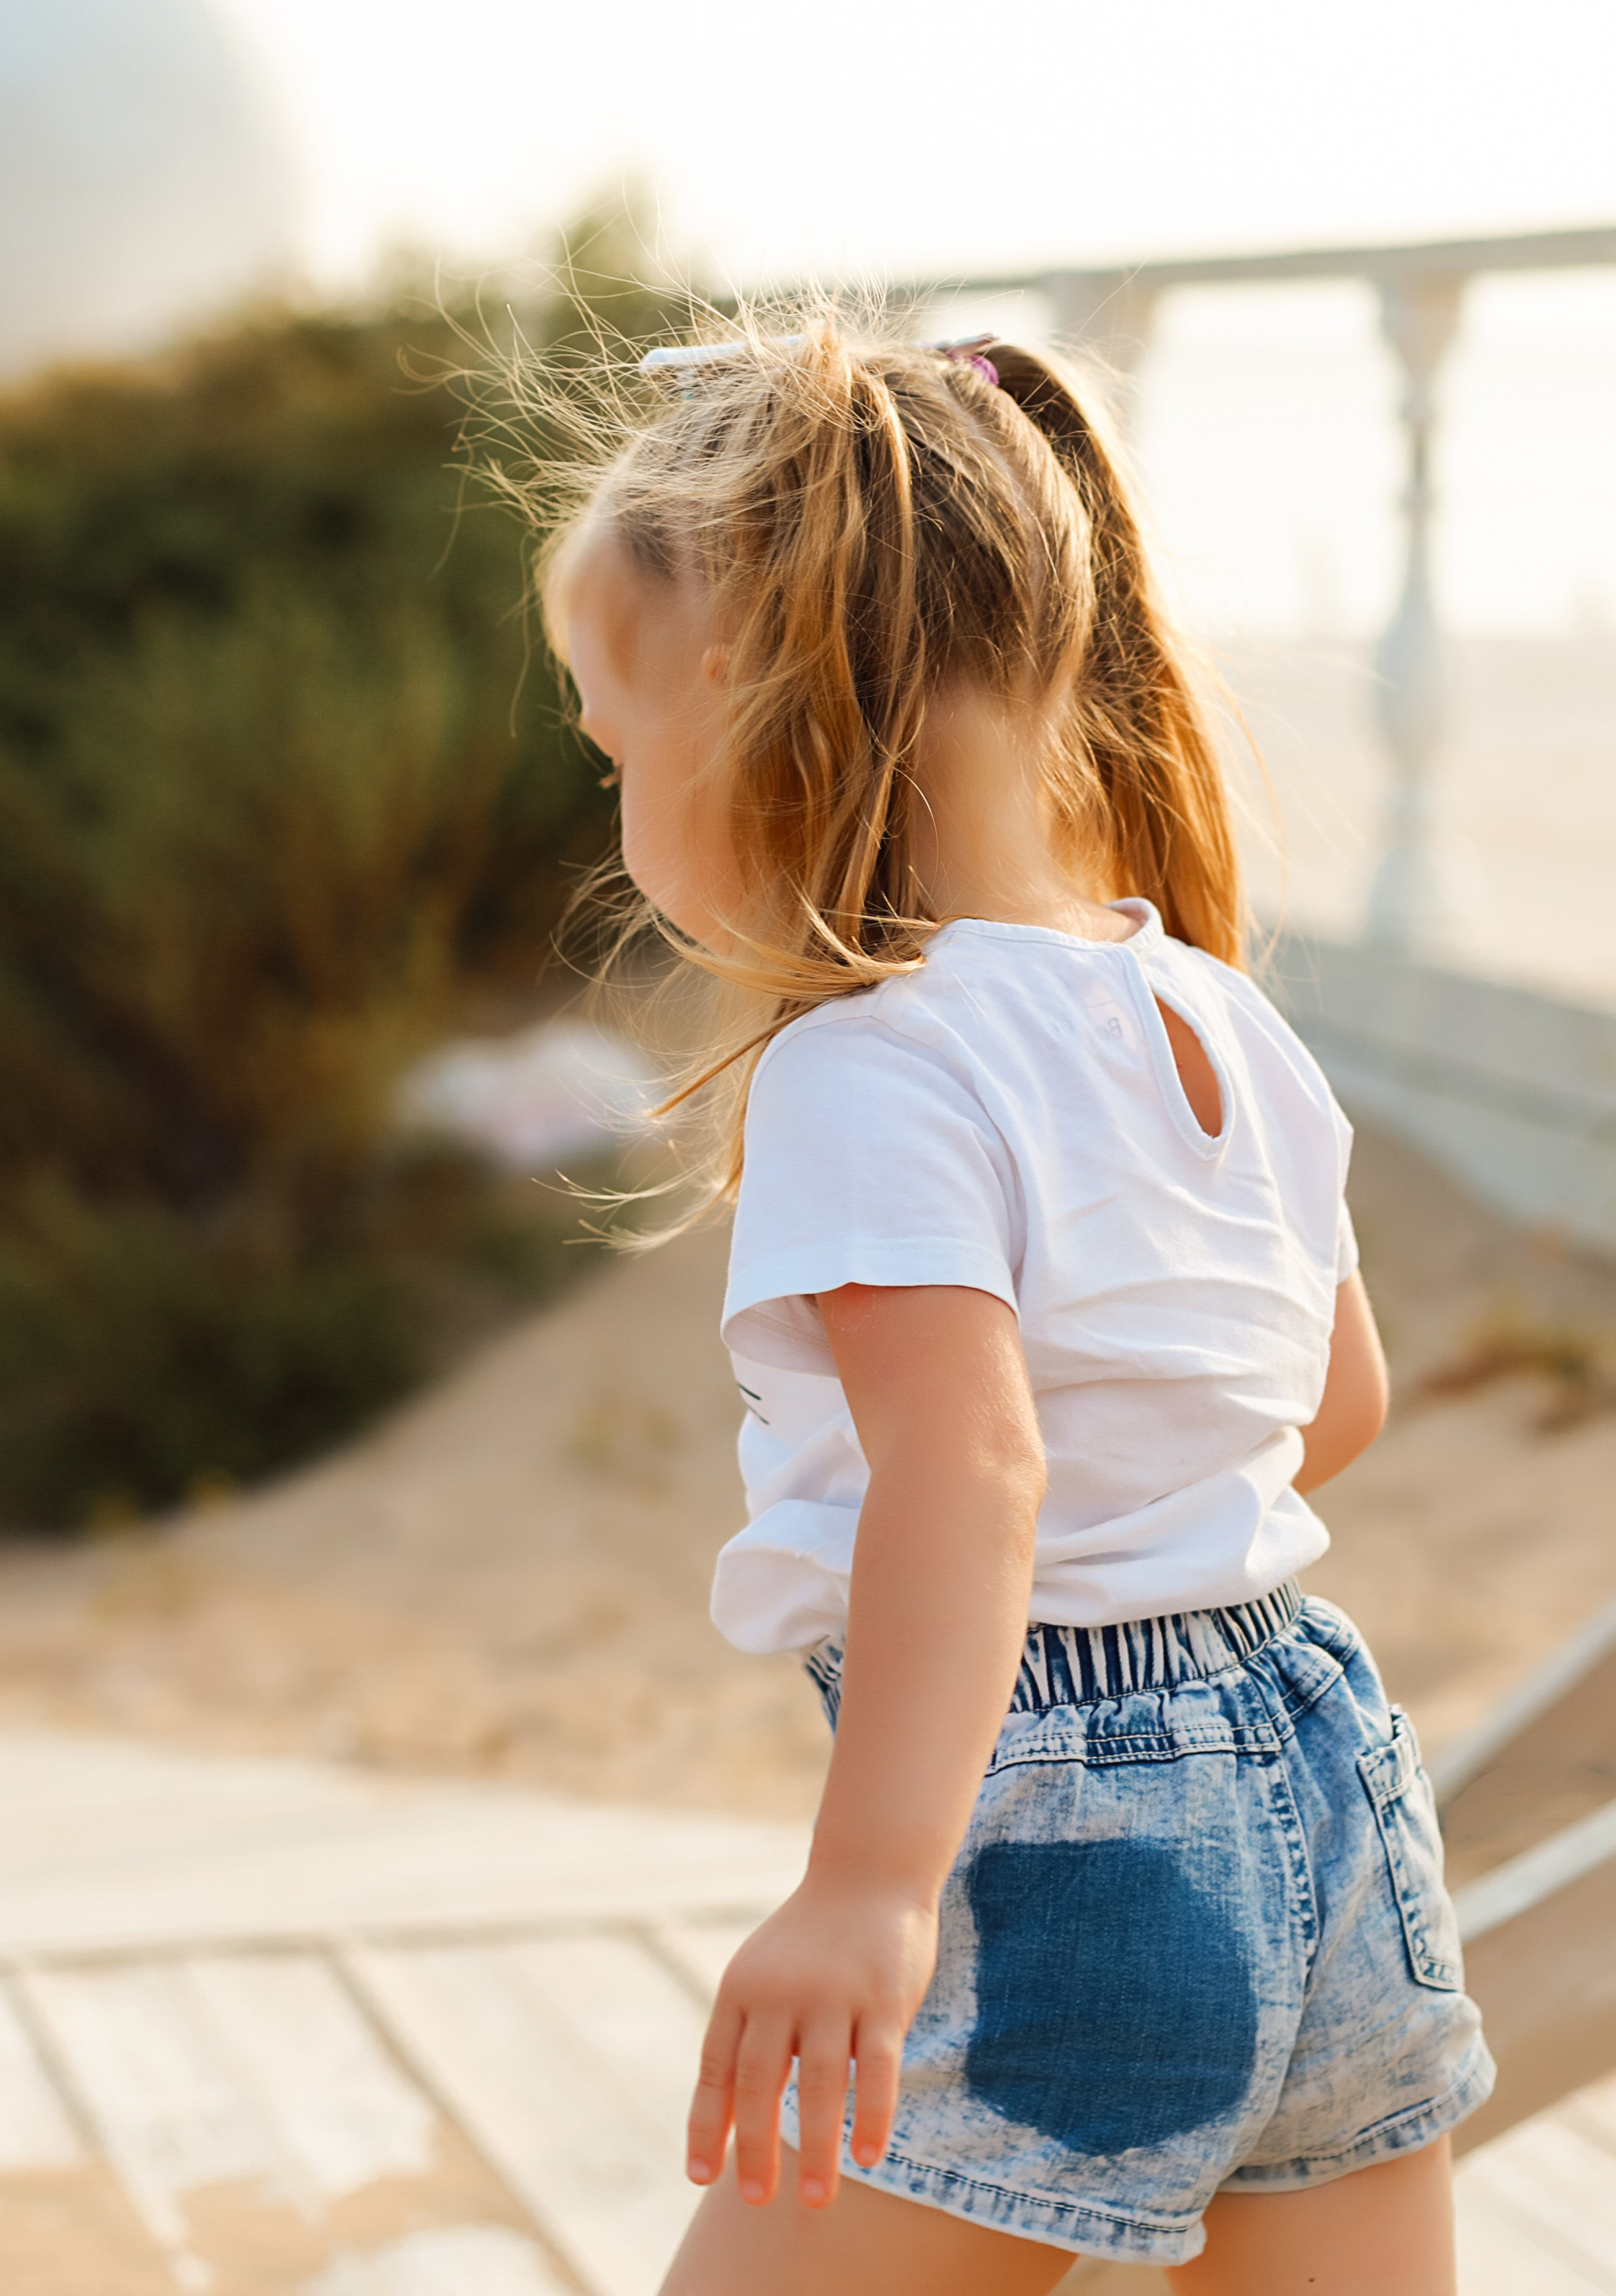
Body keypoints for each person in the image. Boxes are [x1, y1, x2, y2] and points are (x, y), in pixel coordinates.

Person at [539, 316, 1492, 2293]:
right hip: (1327, 1771)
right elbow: (1334, 1404)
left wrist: (869, 1889)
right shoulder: (1214, 1015)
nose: (620, 809)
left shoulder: (872, 1064)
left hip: (1063, 1833)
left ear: (743, 695)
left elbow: (966, 1469)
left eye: (614, 746)